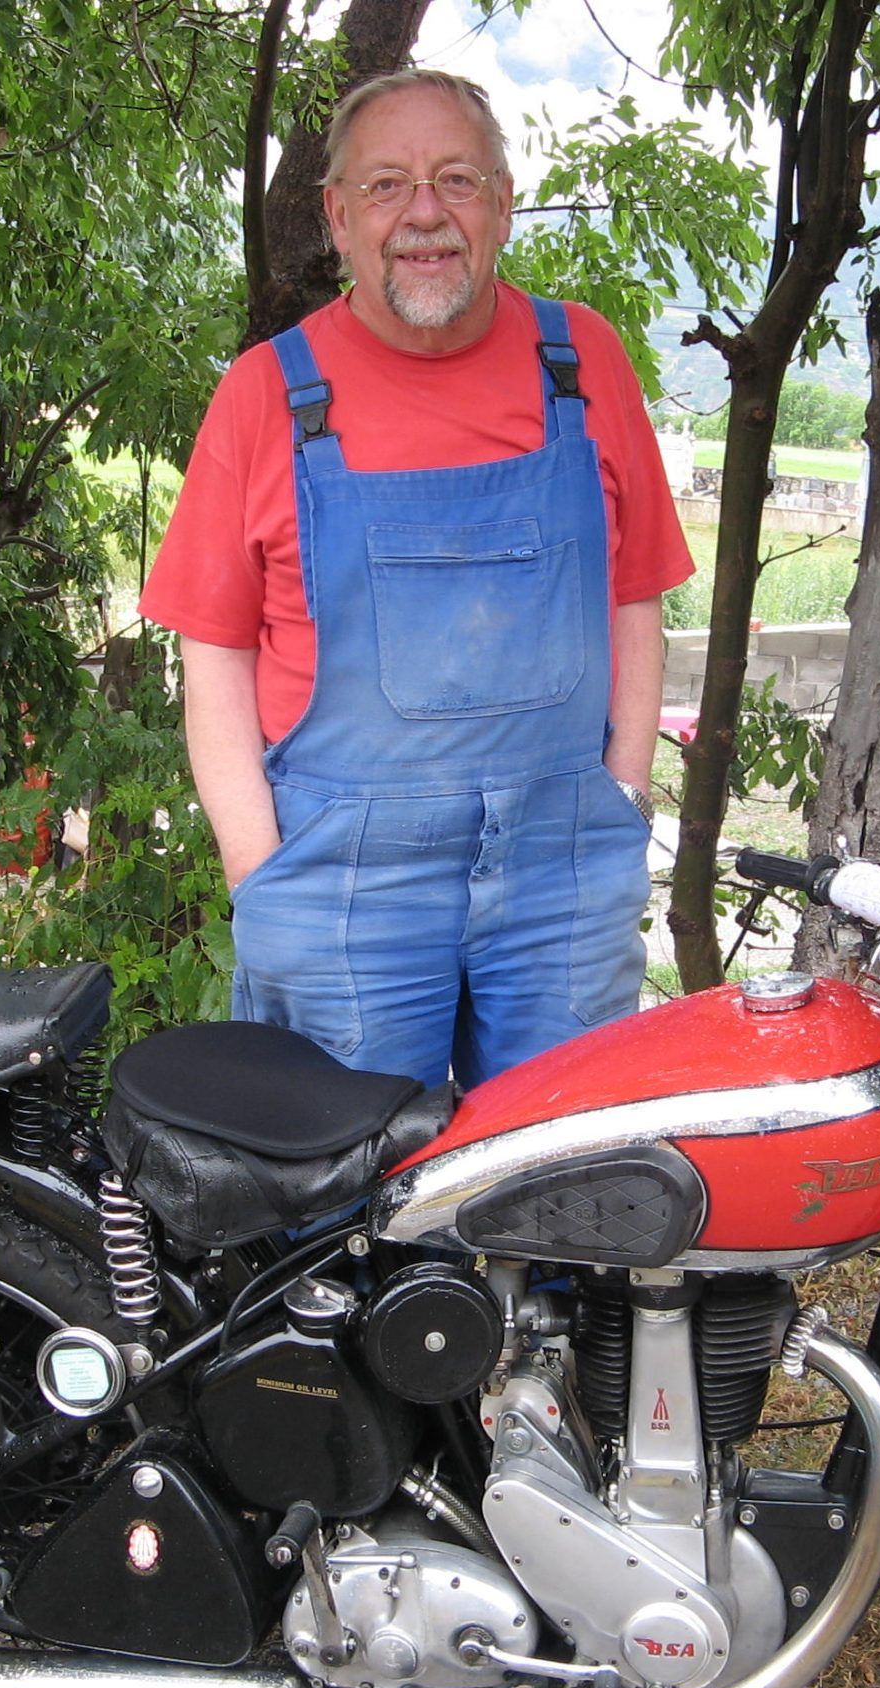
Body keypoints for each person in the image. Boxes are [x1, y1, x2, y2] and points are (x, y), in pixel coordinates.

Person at [141, 68, 694, 1090]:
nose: (425, 213)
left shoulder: (584, 363)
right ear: (338, 217)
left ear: (503, 204)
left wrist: (621, 797)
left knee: (551, 1165)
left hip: (563, 882)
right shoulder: (267, 395)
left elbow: (635, 594)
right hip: (341, 889)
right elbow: (212, 651)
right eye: (387, 184)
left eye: (457, 180)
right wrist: (259, 871)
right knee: (344, 1179)